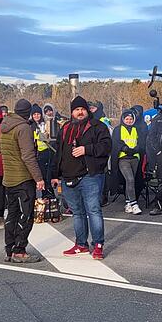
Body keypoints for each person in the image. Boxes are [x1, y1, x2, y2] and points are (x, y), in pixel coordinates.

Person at [52, 96, 112, 260]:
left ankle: (98, 244)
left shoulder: (98, 126)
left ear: (87, 111)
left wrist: (87, 149)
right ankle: (81, 244)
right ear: (72, 112)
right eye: (76, 109)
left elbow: (107, 147)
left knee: (93, 211)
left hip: (89, 176)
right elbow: (58, 152)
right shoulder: (65, 128)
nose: (80, 112)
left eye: (82, 109)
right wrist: (54, 175)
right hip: (67, 177)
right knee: (77, 213)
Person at [0, 98, 45, 263]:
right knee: (25, 216)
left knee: (11, 214)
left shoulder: (4, 126)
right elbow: (28, 156)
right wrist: (38, 178)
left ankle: (9, 249)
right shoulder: (23, 128)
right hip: (23, 178)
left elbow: (0, 150)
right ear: (27, 113)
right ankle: (20, 250)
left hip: (8, 178)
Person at [111, 108, 145, 214]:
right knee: (130, 179)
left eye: (131, 119)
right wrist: (125, 149)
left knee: (130, 181)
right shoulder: (118, 129)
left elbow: (140, 141)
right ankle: (134, 204)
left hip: (135, 158)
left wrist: (137, 149)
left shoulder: (136, 129)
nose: (129, 121)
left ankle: (128, 203)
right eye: (127, 119)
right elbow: (116, 142)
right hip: (123, 158)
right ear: (123, 119)